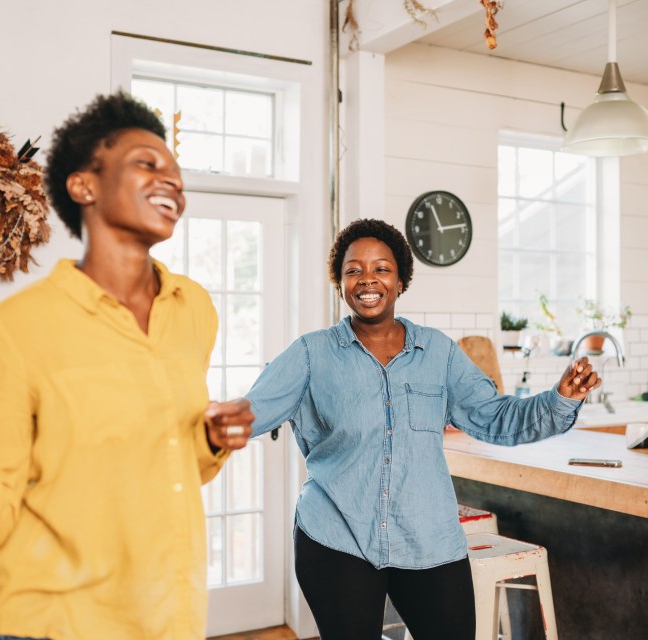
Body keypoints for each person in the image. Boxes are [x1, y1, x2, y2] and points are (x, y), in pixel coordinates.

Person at [0, 92, 254, 640]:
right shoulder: (23, 323)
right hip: (32, 620)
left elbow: (167, 466)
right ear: (83, 185)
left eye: (177, 172)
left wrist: (209, 439)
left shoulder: (194, 310)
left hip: (149, 618)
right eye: (147, 164)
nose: (173, 183)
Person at [245, 218, 600, 640]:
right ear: (339, 283)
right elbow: (246, 413)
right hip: (337, 536)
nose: (367, 280)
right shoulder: (310, 354)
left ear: (401, 280)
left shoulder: (439, 353)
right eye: (353, 270)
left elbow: (496, 417)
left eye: (381, 268)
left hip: (428, 538)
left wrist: (560, 398)